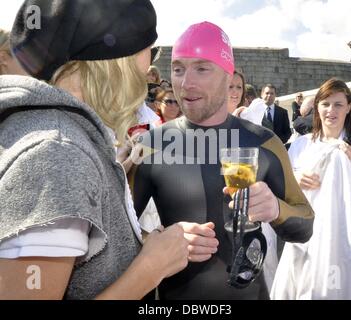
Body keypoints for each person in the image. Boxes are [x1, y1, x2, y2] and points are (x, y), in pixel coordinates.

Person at [0, 0, 189, 300]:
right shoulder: (57, 153)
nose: (147, 69)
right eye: (148, 52)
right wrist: (151, 268)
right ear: (114, 60)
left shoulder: (61, 134)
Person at [131, 21, 314, 300]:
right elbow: (117, 240)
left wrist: (276, 208)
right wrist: (158, 244)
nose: (186, 82)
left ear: (229, 78)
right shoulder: (150, 146)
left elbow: (306, 225)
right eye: (178, 68)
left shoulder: (264, 143)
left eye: (202, 68)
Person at [271, 78, 351, 299]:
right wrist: (295, 178)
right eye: (325, 104)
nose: (331, 111)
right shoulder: (300, 145)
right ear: (316, 107)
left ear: (349, 107)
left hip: (341, 241)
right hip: (302, 237)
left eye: (338, 104)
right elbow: (279, 188)